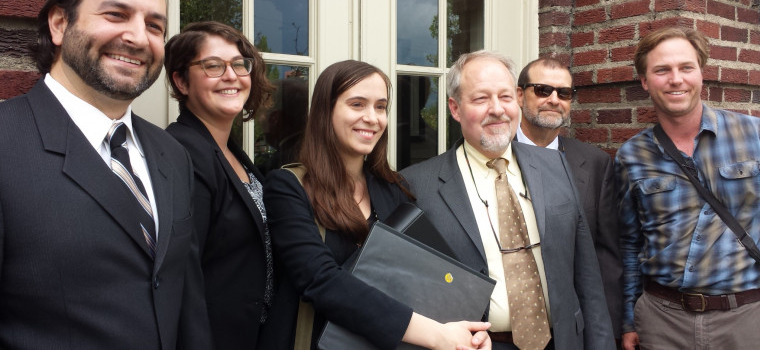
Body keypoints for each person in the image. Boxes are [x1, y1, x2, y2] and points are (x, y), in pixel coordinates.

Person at [0, 0, 210, 348]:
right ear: (60, 24)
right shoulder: (5, 142)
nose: (136, 37)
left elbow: (187, 303)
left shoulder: (171, 154)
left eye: (154, 25)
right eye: (116, 15)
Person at [262, 60, 492, 350]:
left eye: (380, 106)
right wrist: (436, 335)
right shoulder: (288, 187)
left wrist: (466, 330)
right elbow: (320, 280)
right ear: (325, 111)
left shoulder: (394, 190)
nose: (372, 117)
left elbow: (422, 280)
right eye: (357, 104)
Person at [402, 50, 615, 350]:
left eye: (504, 97)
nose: (497, 110)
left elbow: (587, 279)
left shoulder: (555, 166)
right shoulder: (417, 186)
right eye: (480, 99)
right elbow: (411, 290)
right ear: (455, 108)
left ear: (516, 99)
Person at [616, 27, 760, 350]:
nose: (676, 79)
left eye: (686, 67)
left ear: (701, 73)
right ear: (645, 81)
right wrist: (629, 320)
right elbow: (629, 243)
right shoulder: (631, 155)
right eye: (662, 70)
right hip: (662, 320)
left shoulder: (754, 135)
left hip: (746, 317)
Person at [164, 21, 276, 348]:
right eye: (213, 66)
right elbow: (182, 279)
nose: (232, 75)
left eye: (240, 64)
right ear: (181, 81)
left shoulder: (232, 152)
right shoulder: (182, 154)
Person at [515, 58, 622, 339]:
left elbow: (606, 258)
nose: (554, 100)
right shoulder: (496, 155)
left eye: (563, 93)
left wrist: (606, 333)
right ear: (518, 95)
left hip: (572, 328)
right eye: (542, 90)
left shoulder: (595, 163)